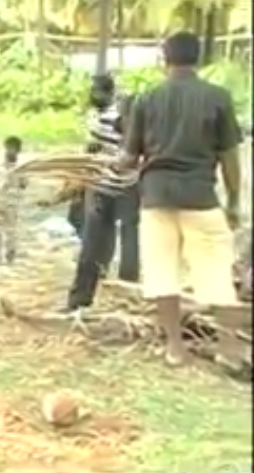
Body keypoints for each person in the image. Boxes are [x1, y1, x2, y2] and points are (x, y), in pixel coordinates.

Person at [117, 31, 244, 369]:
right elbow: (230, 157)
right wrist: (234, 201)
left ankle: (175, 349)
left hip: (156, 198)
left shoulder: (147, 99)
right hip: (200, 197)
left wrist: (106, 165)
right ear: (198, 58)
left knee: (163, 275)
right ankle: (229, 350)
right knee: (217, 274)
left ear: (165, 59)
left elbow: (128, 159)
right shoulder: (218, 97)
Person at [63, 79, 141, 312]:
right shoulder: (105, 119)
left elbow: (124, 156)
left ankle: (98, 298)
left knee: (114, 242)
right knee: (113, 242)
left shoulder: (112, 119)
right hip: (110, 185)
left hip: (120, 186)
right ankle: (100, 299)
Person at [0, 136, 25, 265]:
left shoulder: (22, 167)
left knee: (11, 229)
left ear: (19, 150)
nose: (11, 151)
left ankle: (10, 254)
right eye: (9, 147)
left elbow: (24, 184)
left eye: (14, 148)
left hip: (12, 201)